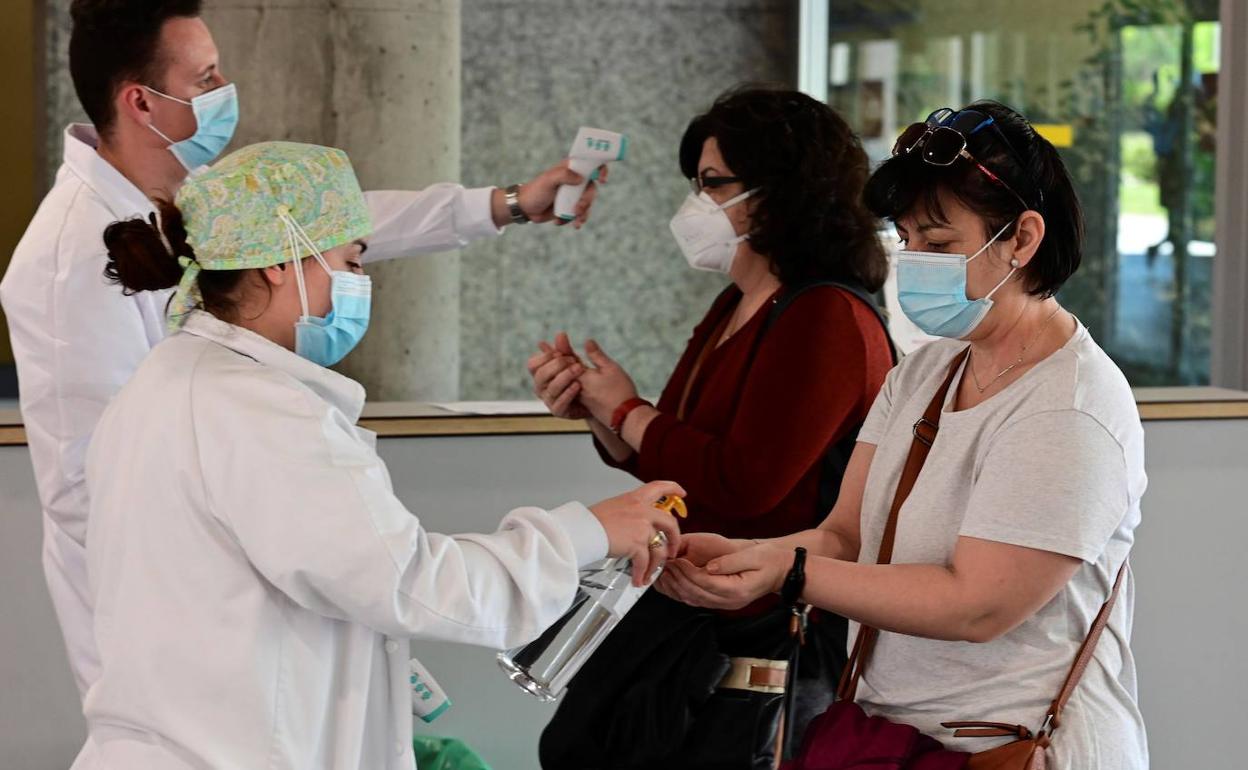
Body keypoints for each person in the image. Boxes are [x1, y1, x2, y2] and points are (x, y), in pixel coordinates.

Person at [0, 0, 604, 705]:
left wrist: (501, 203)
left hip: (242, 607)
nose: (227, 88)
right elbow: (90, 493)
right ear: (142, 102)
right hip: (176, 632)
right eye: (207, 77)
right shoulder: (73, 262)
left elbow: (335, 220)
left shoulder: (192, 212)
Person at [75, 140, 680, 770]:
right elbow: (410, 582)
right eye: (352, 261)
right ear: (282, 262)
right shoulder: (255, 409)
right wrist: (587, 532)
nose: (361, 282)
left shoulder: (169, 380)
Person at [659, 102, 1148, 769]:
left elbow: (975, 606)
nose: (914, 260)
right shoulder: (927, 371)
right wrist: (748, 559)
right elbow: (845, 536)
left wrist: (789, 573)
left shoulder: (1070, 408)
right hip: (893, 743)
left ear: (1023, 240)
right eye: (906, 237)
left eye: (940, 244)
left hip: (1014, 749)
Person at [529, 86, 894, 766]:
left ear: (781, 188)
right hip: (690, 611)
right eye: (696, 183)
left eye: (713, 183)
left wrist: (625, 412)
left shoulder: (827, 318)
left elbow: (747, 482)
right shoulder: (741, 301)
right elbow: (678, 459)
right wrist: (601, 412)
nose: (697, 204)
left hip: (757, 630)